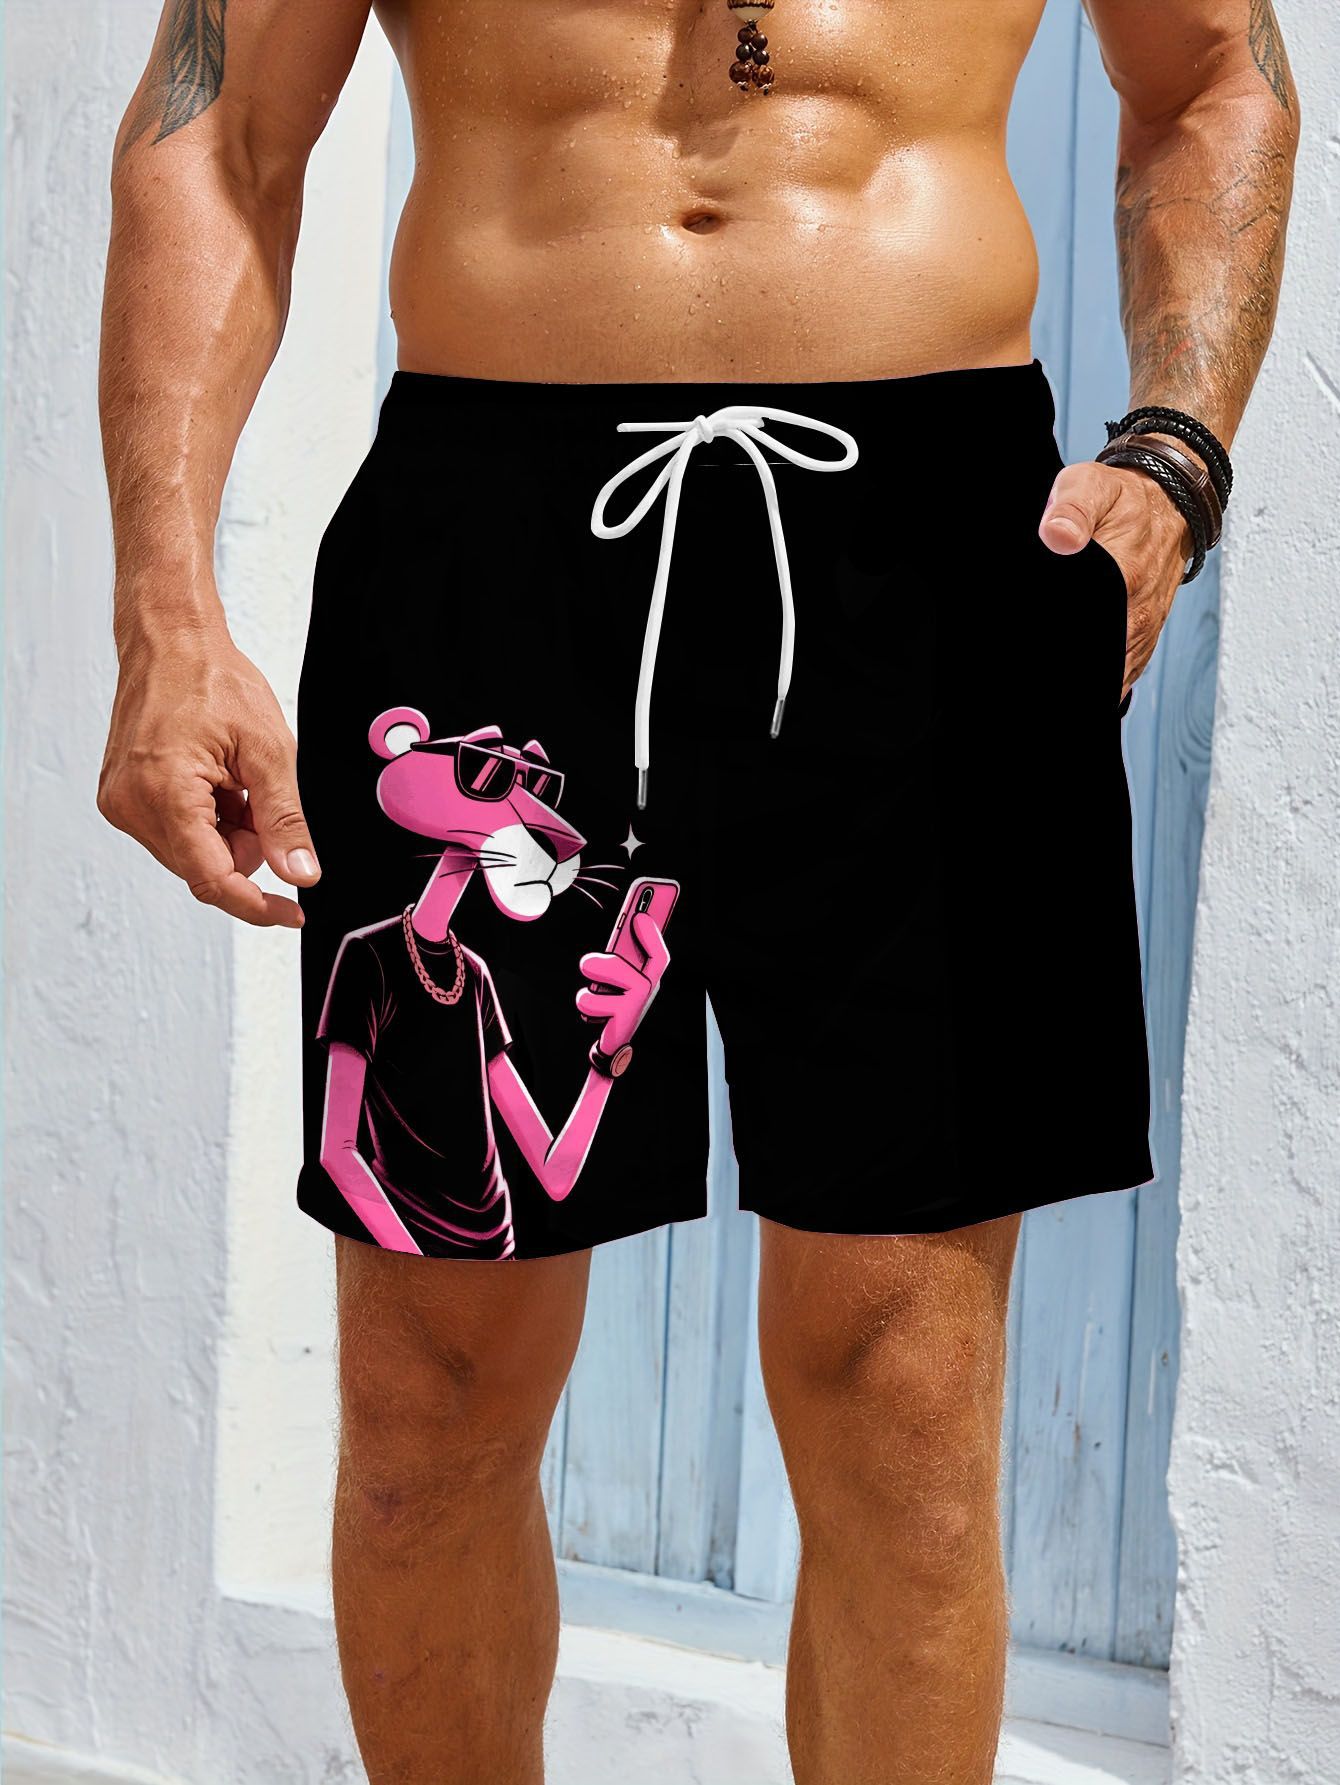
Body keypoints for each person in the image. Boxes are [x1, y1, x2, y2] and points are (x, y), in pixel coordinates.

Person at [96, 0, 1297, 1779]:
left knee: (904, 1397)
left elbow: (1213, 73)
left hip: (932, 558)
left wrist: (1177, 452)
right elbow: (223, 129)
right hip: (492, 555)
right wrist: (165, 612)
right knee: (430, 1395)